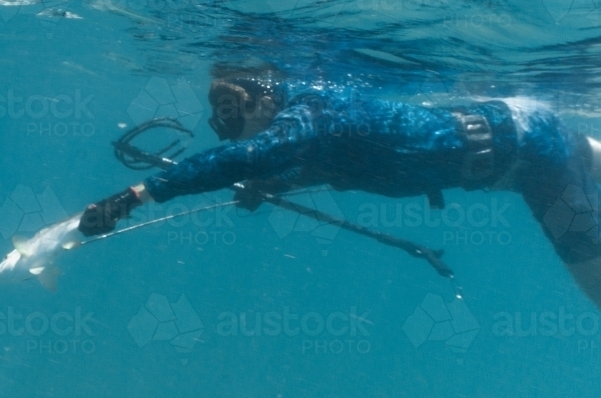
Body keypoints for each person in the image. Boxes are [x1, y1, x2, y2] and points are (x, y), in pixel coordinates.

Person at [78, 67, 601, 307]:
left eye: (231, 115)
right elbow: (334, 157)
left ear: (261, 100)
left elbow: (248, 155)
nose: (226, 129)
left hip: (533, 158)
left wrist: (130, 198)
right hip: (518, 128)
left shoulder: (309, 117)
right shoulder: (312, 118)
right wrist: (277, 179)